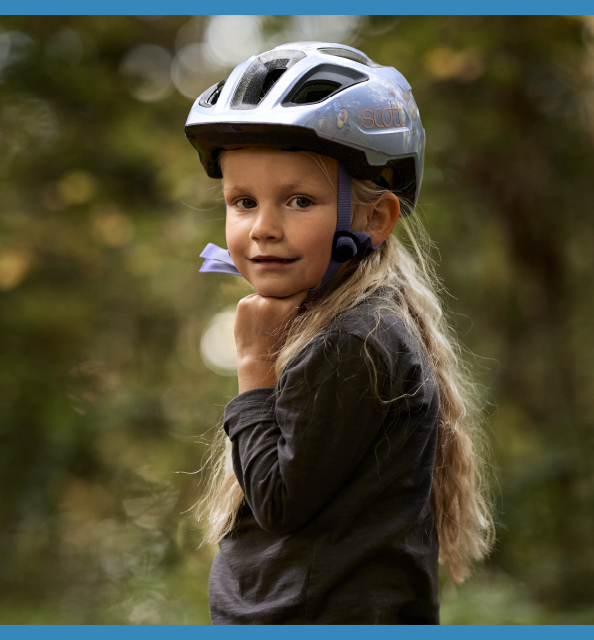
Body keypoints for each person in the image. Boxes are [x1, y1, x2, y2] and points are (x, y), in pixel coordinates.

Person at [185, 42, 493, 624]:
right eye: (243, 201)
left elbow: (280, 503)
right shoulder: (355, 323)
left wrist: (254, 370)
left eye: (300, 201)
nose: (264, 229)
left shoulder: (355, 340)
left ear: (374, 219)